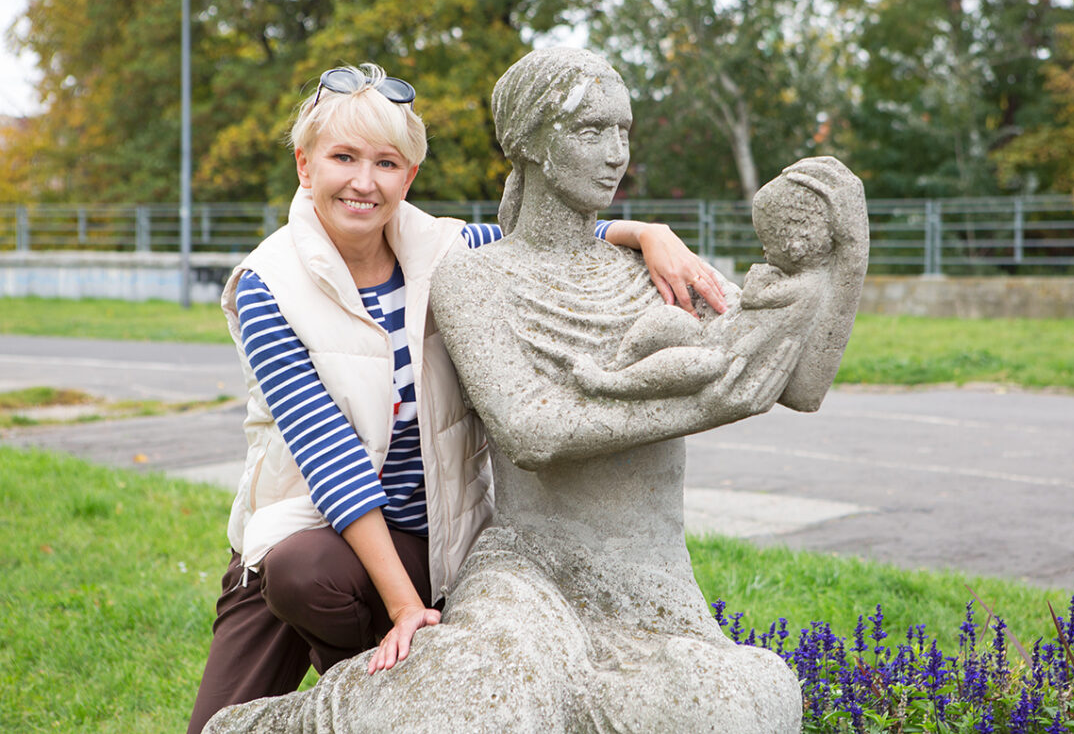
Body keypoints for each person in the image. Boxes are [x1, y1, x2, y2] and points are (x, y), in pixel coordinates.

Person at [186, 62, 724, 734]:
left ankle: (379, 696)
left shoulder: (448, 251)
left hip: (429, 538)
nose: (364, 182)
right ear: (305, 165)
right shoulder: (266, 285)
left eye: (386, 163)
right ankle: (377, 682)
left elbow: (544, 242)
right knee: (287, 603)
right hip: (305, 542)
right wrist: (403, 608)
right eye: (343, 158)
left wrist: (647, 234)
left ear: (408, 177)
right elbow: (332, 460)